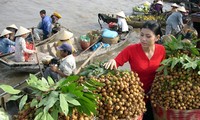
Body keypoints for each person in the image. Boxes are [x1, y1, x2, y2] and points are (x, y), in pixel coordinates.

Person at [104, 21, 166, 120]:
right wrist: (112, 61)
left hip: (154, 95)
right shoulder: (131, 50)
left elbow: (164, 71)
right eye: (141, 35)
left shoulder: (162, 50)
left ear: (157, 38)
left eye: (148, 36)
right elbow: (117, 61)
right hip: (135, 95)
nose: (143, 39)